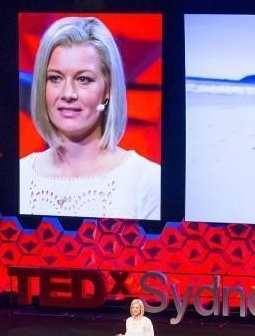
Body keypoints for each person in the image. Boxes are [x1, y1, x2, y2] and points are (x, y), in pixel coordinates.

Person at [20, 16, 160, 219]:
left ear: (108, 89)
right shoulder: (21, 175)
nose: (68, 93)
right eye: (55, 78)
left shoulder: (146, 181)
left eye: (83, 79)